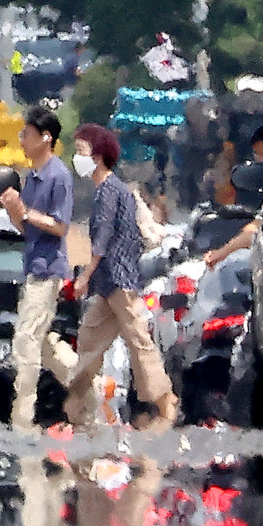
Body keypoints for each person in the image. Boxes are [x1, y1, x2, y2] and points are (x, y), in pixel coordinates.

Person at [61, 123, 175, 431]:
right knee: (90, 338)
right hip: (111, 282)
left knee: (138, 340)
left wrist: (85, 275)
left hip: (118, 279)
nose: (77, 157)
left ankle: (165, 402)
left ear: (98, 157)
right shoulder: (110, 190)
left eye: (82, 151)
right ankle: (74, 404)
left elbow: (104, 240)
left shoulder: (110, 191)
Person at [0, 108, 77, 428]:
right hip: (32, 264)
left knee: (26, 338)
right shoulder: (31, 177)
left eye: (27, 134)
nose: (22, 140)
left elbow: (60, 226)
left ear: (46, 138)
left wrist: (26, 212)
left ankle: (23, 415)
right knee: (45, 346)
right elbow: (25, 227)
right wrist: (14, 210)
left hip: (49, 268)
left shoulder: (58, 175)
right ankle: (92, 389)